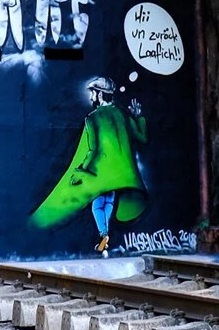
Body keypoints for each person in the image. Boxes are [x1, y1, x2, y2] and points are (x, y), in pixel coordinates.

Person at [29, 75, 148, 253]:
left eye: (93, 93)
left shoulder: (93, 118)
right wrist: (140, 117)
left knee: (96, 205)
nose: (91, 97)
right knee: (107, 201)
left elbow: (93, 150)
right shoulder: (124, 115)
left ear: (100, 94)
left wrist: (81, 170)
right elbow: (142, 138)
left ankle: (103, 234)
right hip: (122, 175)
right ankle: (105, 235)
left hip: (100, 173)